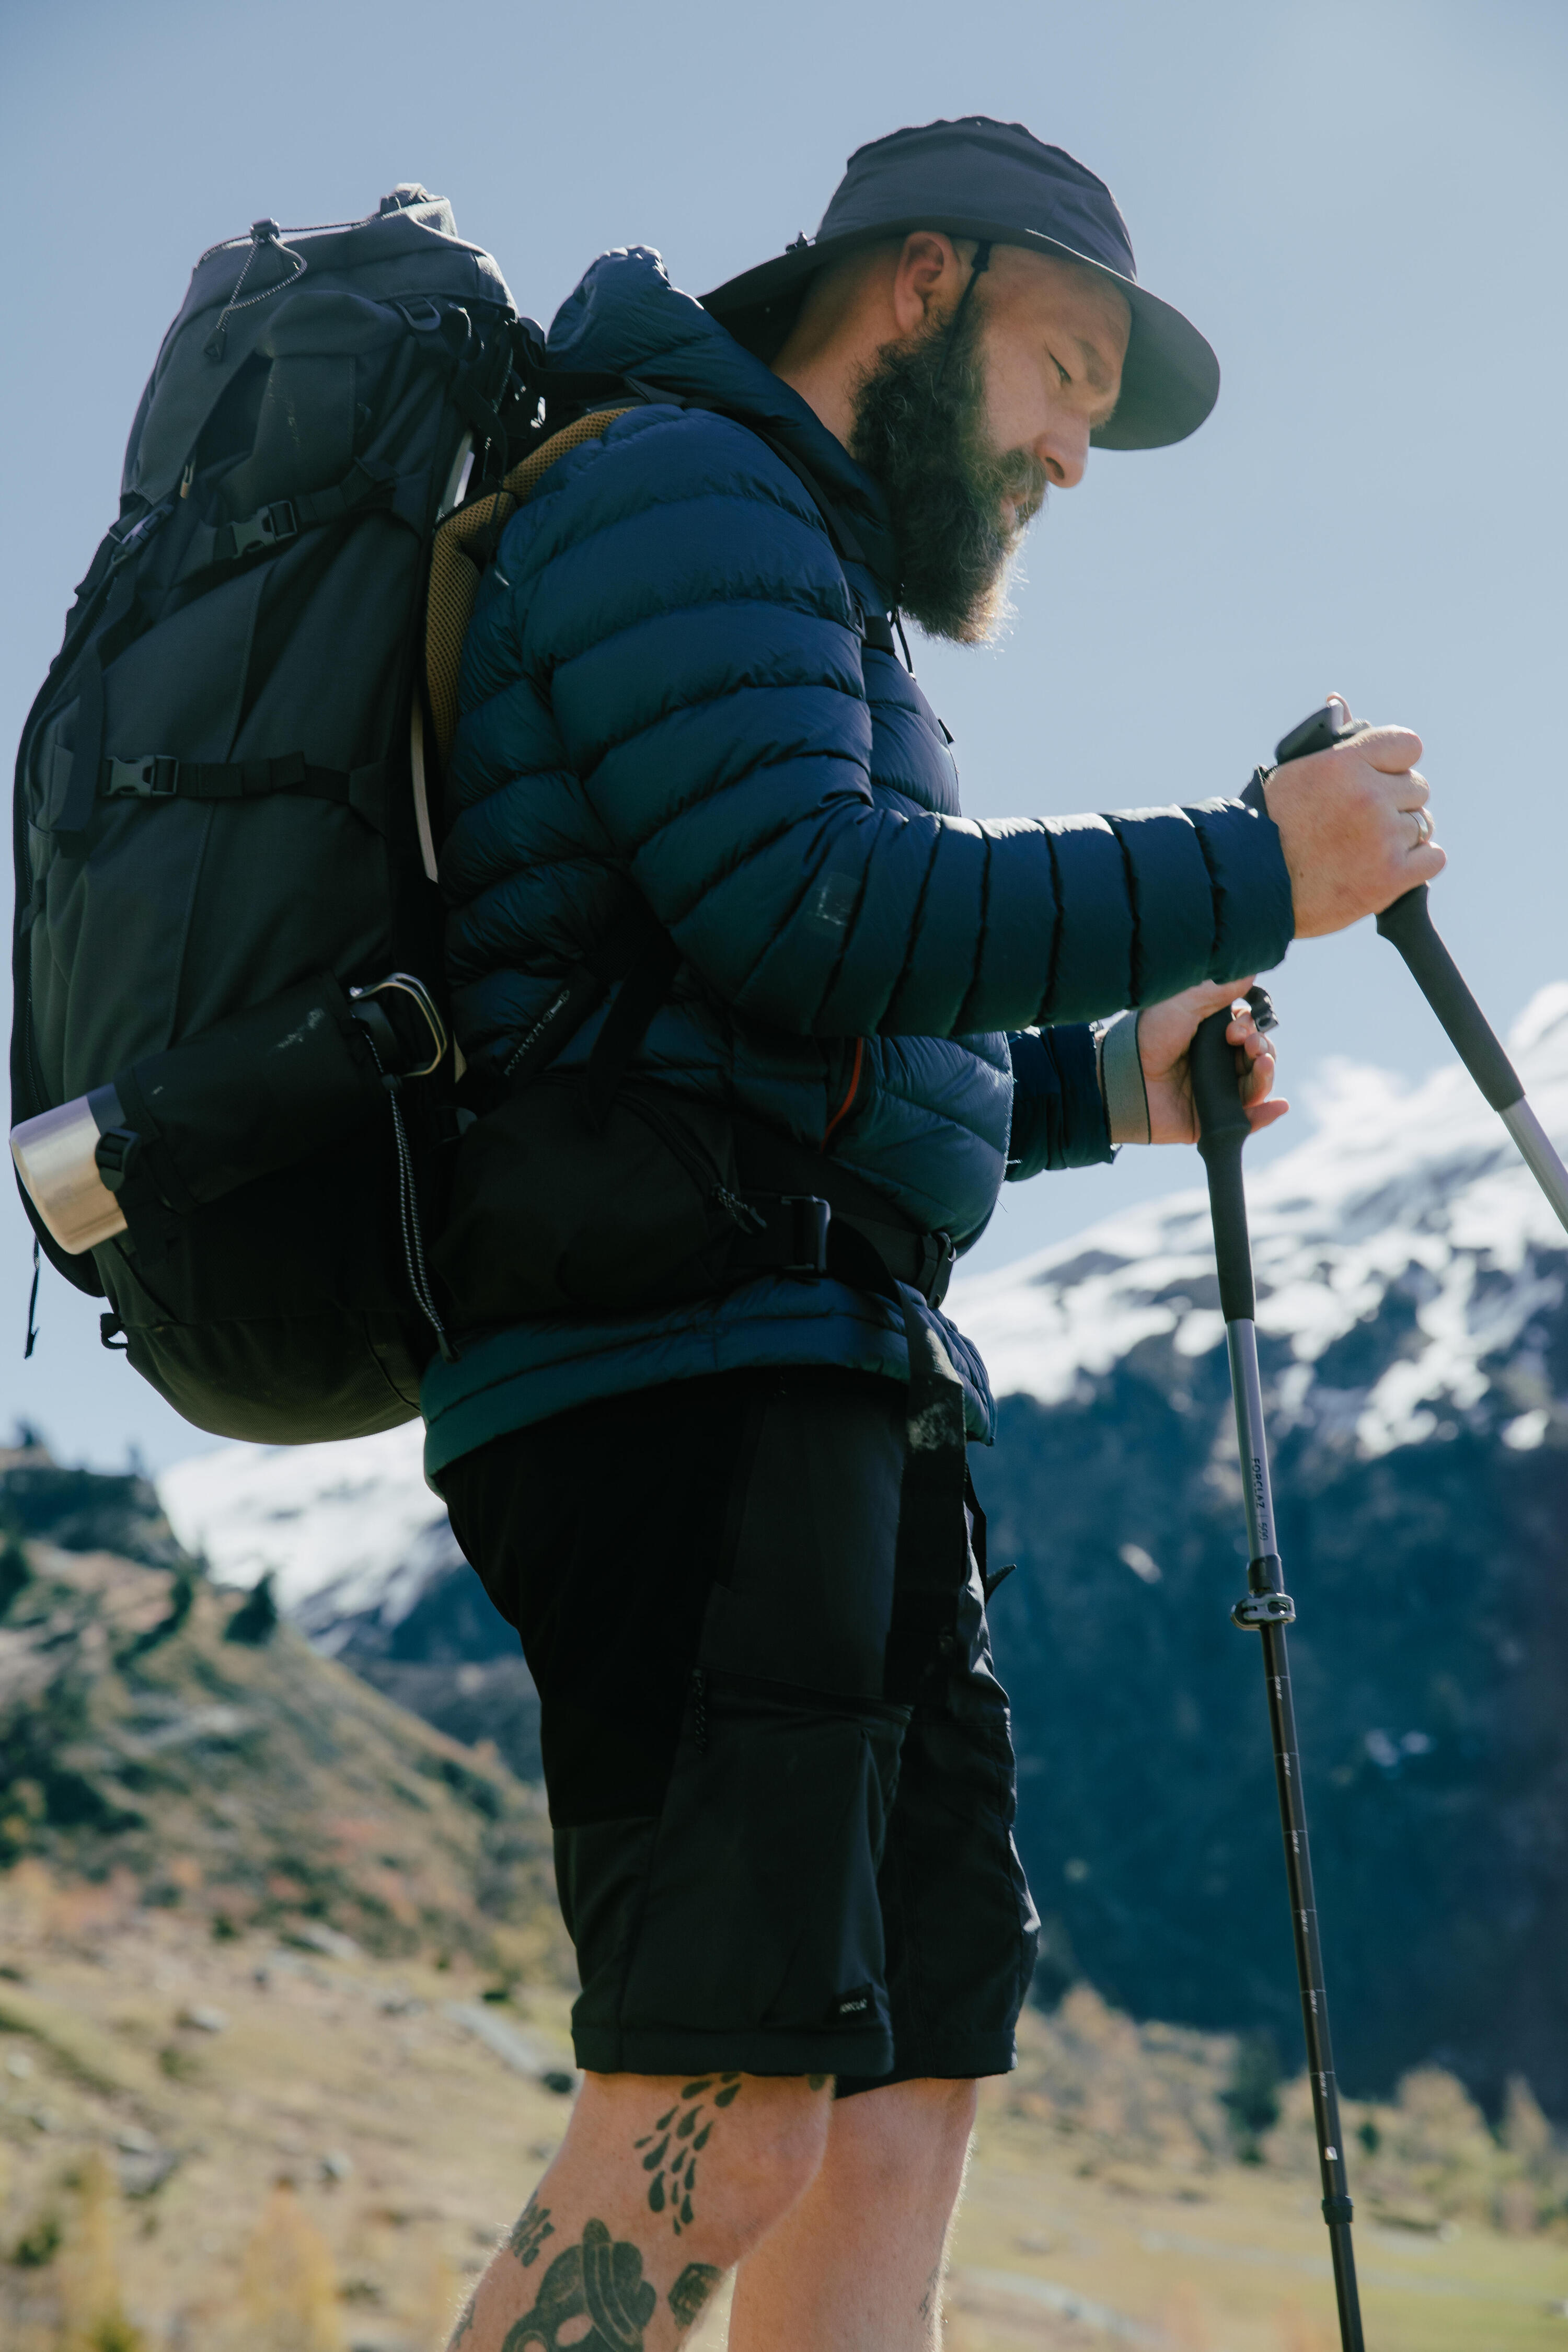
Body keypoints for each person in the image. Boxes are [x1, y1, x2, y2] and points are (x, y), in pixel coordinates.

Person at [430, 119, 1441, 2351]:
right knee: (725, 2119)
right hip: (679, 1388)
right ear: (916, 286)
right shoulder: (675, 495)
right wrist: (1254, 865)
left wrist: (1103, 1083)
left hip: (820, 1378)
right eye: (1066, 370)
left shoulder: (787, 567)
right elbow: (814, 911)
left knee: (897, 2116)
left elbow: (804, 1017)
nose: (1079, 452)